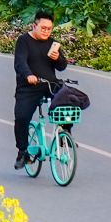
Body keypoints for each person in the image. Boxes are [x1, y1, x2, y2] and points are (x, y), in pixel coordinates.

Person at [13, 10, 68, 169]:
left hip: (50, 84)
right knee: (22, 117)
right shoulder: (24, 41)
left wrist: (57, 58)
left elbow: (62, 66)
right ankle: (22, 151)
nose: (46, 31)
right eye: (43, 28)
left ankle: (65, 135)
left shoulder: (52, 43)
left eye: (49, 29)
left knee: (69, 100)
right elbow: (20, 62)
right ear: (34, 26)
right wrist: (28, 75)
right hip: (29, 87)